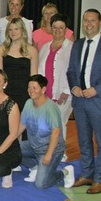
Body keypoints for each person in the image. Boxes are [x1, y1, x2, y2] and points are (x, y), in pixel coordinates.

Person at [67, 9, 101, 194]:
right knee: (84, 140)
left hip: (100, 101)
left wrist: (97, 89)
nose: (88, 24)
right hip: (80, 102)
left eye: (92, 20)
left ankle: (100, 179)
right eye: (85, 20)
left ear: (100, 23)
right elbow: (71, 71)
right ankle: (87, 174)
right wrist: (74, 87)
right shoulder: (78, 45)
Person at [19, 74, 75, 189]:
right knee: (12, 149)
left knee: (41, 184)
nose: (31, 91)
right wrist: (10, 142)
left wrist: (49, 154)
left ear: (43, 89)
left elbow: (56, 132)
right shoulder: (28, 103)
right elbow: (22, 125)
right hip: (34, 146)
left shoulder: (50, 108)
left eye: (34, 88)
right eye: (29, 87)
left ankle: (65, 172)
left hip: (51, 149)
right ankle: (36, 167)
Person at [37, 14, 73, 153]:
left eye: (61, 27)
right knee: (47, 124)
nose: (58, 30)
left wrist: (66, 91)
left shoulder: (71, 47)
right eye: (55, 27)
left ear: (66, 30)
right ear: (51, 29)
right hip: (46, 94)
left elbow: (73, 71)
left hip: (63, 94)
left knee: (59, 124)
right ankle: (47, 152)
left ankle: (60, 154)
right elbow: (40, 69)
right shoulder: (45, 47)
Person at [0, 17, 38, 119]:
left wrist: (33, 96)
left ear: (22, 30)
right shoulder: (2, 49)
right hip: (6, 93)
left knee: (23, 126)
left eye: (16, 29)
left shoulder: (32, 50)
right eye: (10, 30)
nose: (13, 32)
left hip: (24, 93)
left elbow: (34, 77)